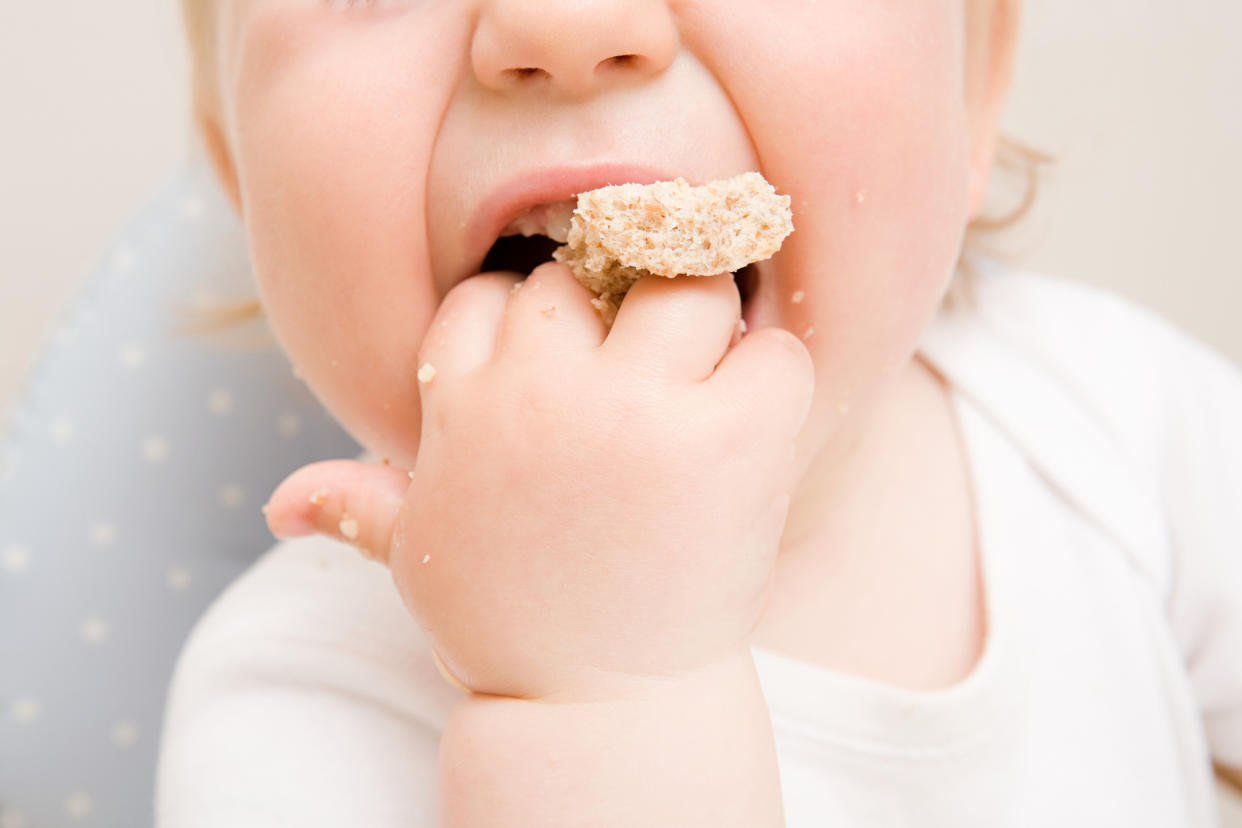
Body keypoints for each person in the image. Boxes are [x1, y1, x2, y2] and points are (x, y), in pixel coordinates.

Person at [156, 0, 1242, 825]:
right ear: (242, 183)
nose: (567, 25)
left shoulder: (1118, 415)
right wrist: (599, 711)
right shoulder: (293, 698)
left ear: (974, 91)